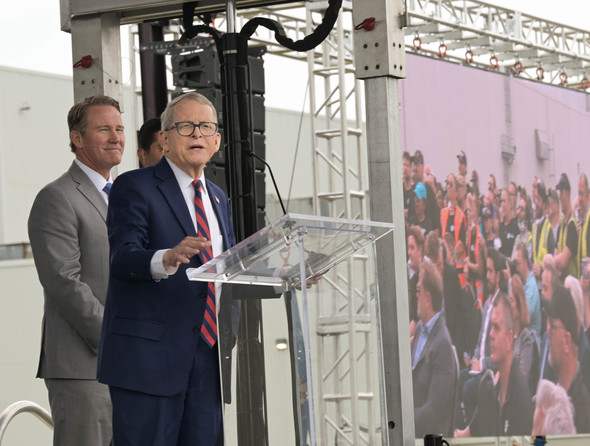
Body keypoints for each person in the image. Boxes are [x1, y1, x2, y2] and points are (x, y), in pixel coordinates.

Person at [98, 92, 238, 445]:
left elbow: (229, 270)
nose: (197, 135)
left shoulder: (219, 198)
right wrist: (166, 257)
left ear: (217, 141)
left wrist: (285, 276)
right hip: (149, 362)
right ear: (164, 138)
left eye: (206, 127)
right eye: (186, 126)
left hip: (208, 357)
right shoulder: (135, 186)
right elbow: (123, 258)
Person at [28, 94, 125, 445]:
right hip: (85, 366)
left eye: (119, 128)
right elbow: (64, 283)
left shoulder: (126, 196)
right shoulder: (57, 197)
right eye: (104, 129)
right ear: (77, 138)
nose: (115, 137)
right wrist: (119, 340)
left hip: (132, 366)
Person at [456, 295, 534, 436]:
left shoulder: (520, 399)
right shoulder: (489, 390)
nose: (491, 335)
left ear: (510, 339)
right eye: (491, 327)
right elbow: (469, 433)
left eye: (497, 328)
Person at [411, 258, 457, 438]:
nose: (416, 296)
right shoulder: (421, 329)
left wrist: (403, 420)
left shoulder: (442, 345)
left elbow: (435, 411)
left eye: (418, 291)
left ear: (427, 298)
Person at [543, 285, 590, 433]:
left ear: (567, 341)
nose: (548, 333)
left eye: (553, 327)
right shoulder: (556, 393)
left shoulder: (581, 410)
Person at [514, 242, 542, 339]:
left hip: (531, 342)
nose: (516, 268)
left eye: (518, 263)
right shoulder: (523, 284)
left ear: (526, 262)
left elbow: (524, 320)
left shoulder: (531, 287)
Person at [555, 173, 579, 279]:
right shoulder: (561, 226)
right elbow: (556, 256)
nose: (560, 198)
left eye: (562, 193)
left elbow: (563, 262)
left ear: (568, 193)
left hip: (572, 283)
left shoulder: (572, 225)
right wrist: (557, 260)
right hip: (562, 283)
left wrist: (556, 260)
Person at [407, 225, 425, 338]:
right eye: (408, 248)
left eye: (412, 248)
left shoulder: (428, 278)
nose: (409, 252)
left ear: (420, 250)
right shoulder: (413, 281)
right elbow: (414, 319)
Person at [498, 187, 519, 259]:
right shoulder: (500, 227)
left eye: (504, 201)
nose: (502, 205)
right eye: (501, 201)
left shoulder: (515, 227)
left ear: (510, 204)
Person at [577, 173, 590, 277]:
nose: (579, 199)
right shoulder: (582, 221)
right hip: (583, 283)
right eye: (578, 194)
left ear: (588, 196)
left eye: (581, 194)